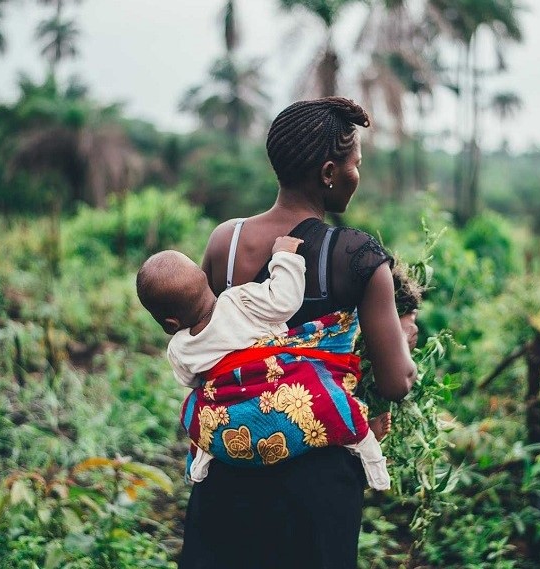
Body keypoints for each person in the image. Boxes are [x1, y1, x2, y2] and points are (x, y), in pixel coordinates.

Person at [178, 97, 418, 569]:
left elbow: (207, 344)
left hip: (230, 468)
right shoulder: (357, 255)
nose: (357, 176)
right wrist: (402, 341)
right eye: (355, 165)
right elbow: (396, 383)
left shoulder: (224, 243)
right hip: (316, 489)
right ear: (329, 171)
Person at [135, 236, 392, 490]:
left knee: (194, 409)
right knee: (326, 397)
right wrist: (284, 256)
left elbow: (192, 381)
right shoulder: (239, 300)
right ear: (205, 281)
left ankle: (202, 458)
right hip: (279, 395)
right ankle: (368, 451)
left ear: (170, 324)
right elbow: (284, 301)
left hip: (232, 423)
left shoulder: (179, 348)